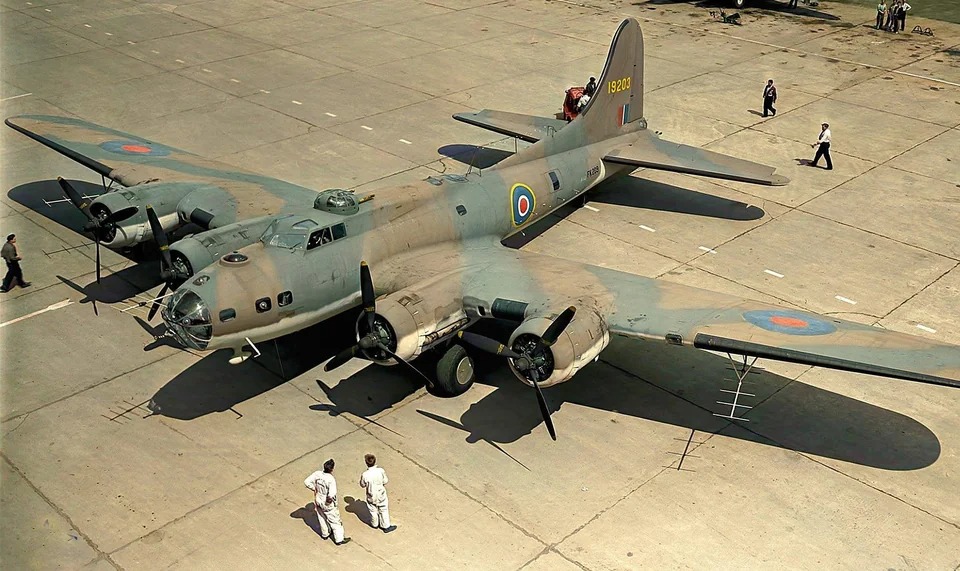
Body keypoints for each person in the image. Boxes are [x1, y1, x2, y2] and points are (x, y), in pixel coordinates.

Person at [304, 459, 350, 545]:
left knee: (321, 517)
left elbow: (306, 482)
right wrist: (329, 501)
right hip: (326, 502)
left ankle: (325, 534)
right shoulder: (330, 479)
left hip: (318, 499)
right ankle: (339, 539)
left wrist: (314, 488)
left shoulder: (317, 474)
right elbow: (331, 494)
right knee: (335, 521)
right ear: (332, 469)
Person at [359, 454, 395, 533]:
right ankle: (385, 526)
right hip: (380, 494)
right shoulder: (380, 471)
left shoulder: (365, 474)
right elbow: (385, 481)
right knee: (383, 509)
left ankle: (374, 524)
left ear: (366, 463)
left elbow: (362, 485)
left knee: (373, 510)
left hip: (371, 495)